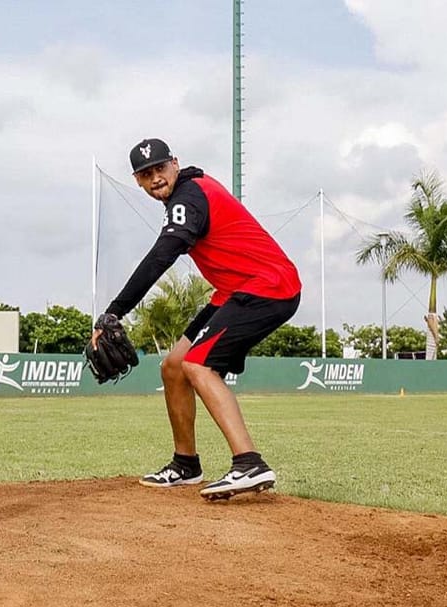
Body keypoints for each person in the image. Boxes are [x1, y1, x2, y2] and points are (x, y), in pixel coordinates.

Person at [95, 138, 301, 501]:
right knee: (174, 366)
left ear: (175, 164)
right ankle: (185, 464)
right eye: (146, 174)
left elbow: (162, 256)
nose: (155, 177)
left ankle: (248, 462)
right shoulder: (187, 195)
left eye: (160, 168)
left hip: (267, 286)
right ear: (138, 180)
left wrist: (114, 311)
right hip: (236, 290)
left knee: (198, 365)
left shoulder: (190, 197)